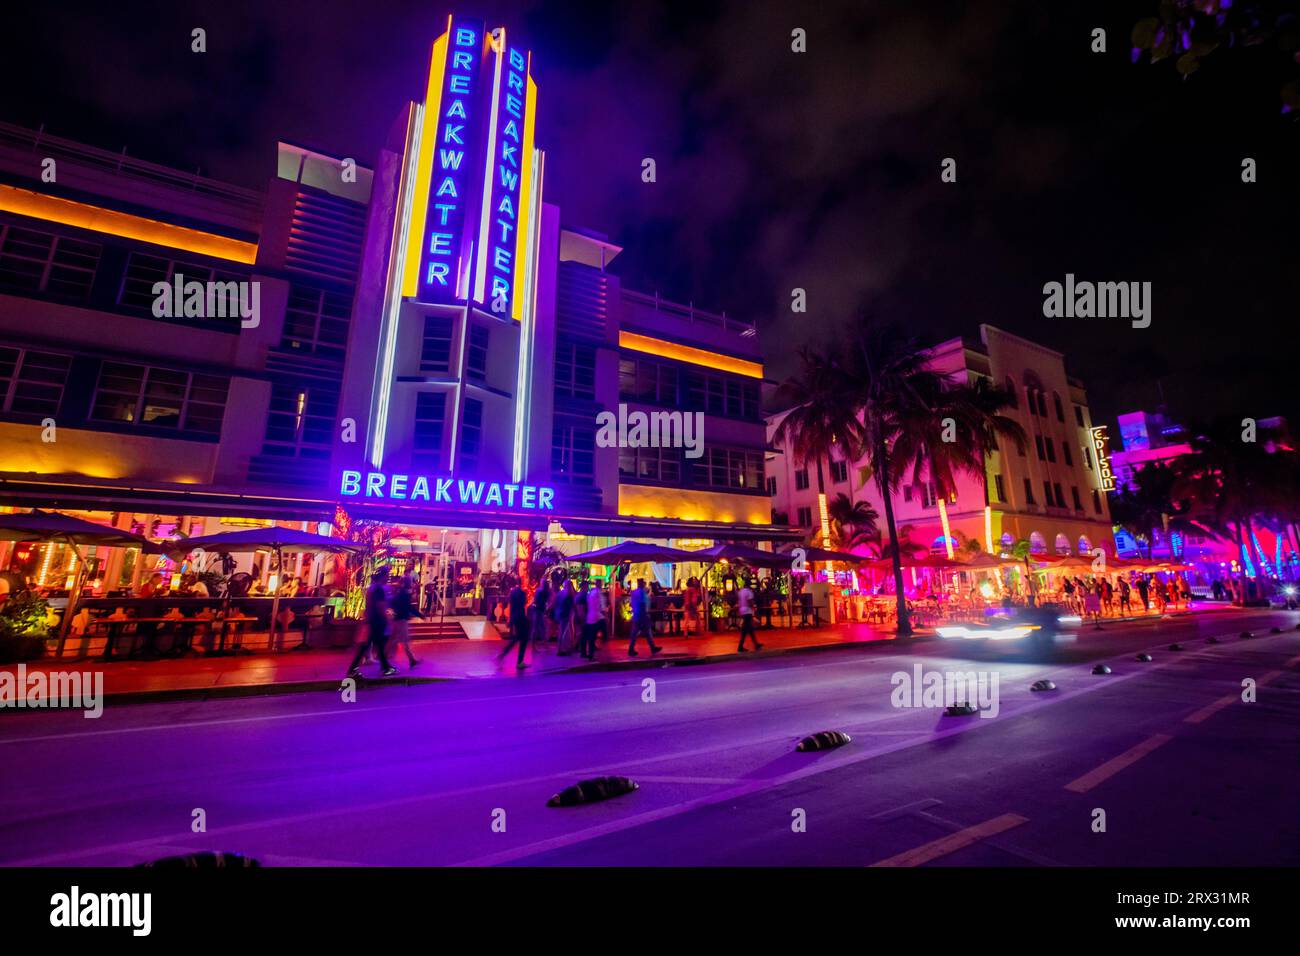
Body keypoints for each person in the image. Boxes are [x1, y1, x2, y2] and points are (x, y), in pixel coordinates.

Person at [346, 569, 397, 679]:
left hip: (371, 620)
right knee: (367, 646)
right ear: (382, 576)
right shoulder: (378, 589)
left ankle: (385, 667)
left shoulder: (371, 588)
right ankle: (353, 670)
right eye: (386, 575)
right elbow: (380, 605)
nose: (387, 578)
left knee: (375, 645)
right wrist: (387, 618)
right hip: (376, 621)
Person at [498, 581, 531, 670]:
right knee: (522, 640)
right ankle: (519, 662)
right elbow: (524, 605)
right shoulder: (522, 593)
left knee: (516, 639)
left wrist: (510, 620)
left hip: (515, 618)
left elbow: (511, 607)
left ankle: (503, 654)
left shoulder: (512, 593)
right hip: (521, 618)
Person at [389, 576, 421, 667]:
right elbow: (408, 606)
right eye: (410, 582)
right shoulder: (404, 593)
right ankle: (385, 657)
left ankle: (385, 656)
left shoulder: (400, 592)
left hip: (398, 618)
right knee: (403, 640)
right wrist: (419, 615)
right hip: (401, 619)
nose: (412, 583)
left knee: (394, 639)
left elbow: (396, 604)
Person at [627, 578, 661, 656]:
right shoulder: (642, 593)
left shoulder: (634, 592)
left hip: (637, 615)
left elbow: (631, 604)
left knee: (637, 633)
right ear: (642, 584)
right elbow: (643, 604)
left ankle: (632, 649)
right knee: (646, 632)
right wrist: (645, 614)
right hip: (642, 616)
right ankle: (651, 648)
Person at [579, 580, 607, 661]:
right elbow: (601, 607)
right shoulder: (598, 594)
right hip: (596, 617)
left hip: (589, 617)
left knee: (587, 636)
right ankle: (590, 655)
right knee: (592, 637)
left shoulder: (591, 593)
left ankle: (585, 653)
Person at [736, 578, 762, 652]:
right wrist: (753, 607)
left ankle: (756, 644)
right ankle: (740, 646)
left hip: (742, 610)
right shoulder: (749, 592)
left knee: (750, 629)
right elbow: (750, 601)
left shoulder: (741, 591)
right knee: (746, 630)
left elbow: (739, 600)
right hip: (747, 611)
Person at [553, 578, 576, 655]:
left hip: (560, 614)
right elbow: (571, 607)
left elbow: (555, 603)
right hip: (566, 615)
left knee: (561, 632)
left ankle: (560, 649)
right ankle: (561, 650)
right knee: (565, 633)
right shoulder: (569, 594)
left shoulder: (560, 593)